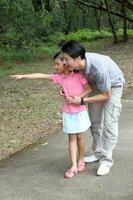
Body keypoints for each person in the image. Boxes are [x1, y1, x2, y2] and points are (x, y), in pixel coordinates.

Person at [10, 52, 92, 178]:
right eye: (54, 64)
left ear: (65, 63)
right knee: (71, 138)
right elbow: (41, 75)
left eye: (57, 63)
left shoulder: (78, 75)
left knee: (80, 137)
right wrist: (23, 76)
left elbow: (88, 89)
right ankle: (74, 165)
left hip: (80, 111)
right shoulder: (59, 77)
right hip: (68, 112)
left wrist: (78, 98)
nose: (55, 66)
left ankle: (81, 159)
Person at [61, 40, 125, 176]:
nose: (64, 63)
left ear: (78, 59)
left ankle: (106, 160)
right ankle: (98, 153)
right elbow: (67, 79)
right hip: (95, 85)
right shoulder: (76, 66)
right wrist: (64, 91)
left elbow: (106, 95)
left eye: (66, 59)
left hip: (113, 85)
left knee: (109, 122)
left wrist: (82, 100)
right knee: (95, 122)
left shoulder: (98, 68)